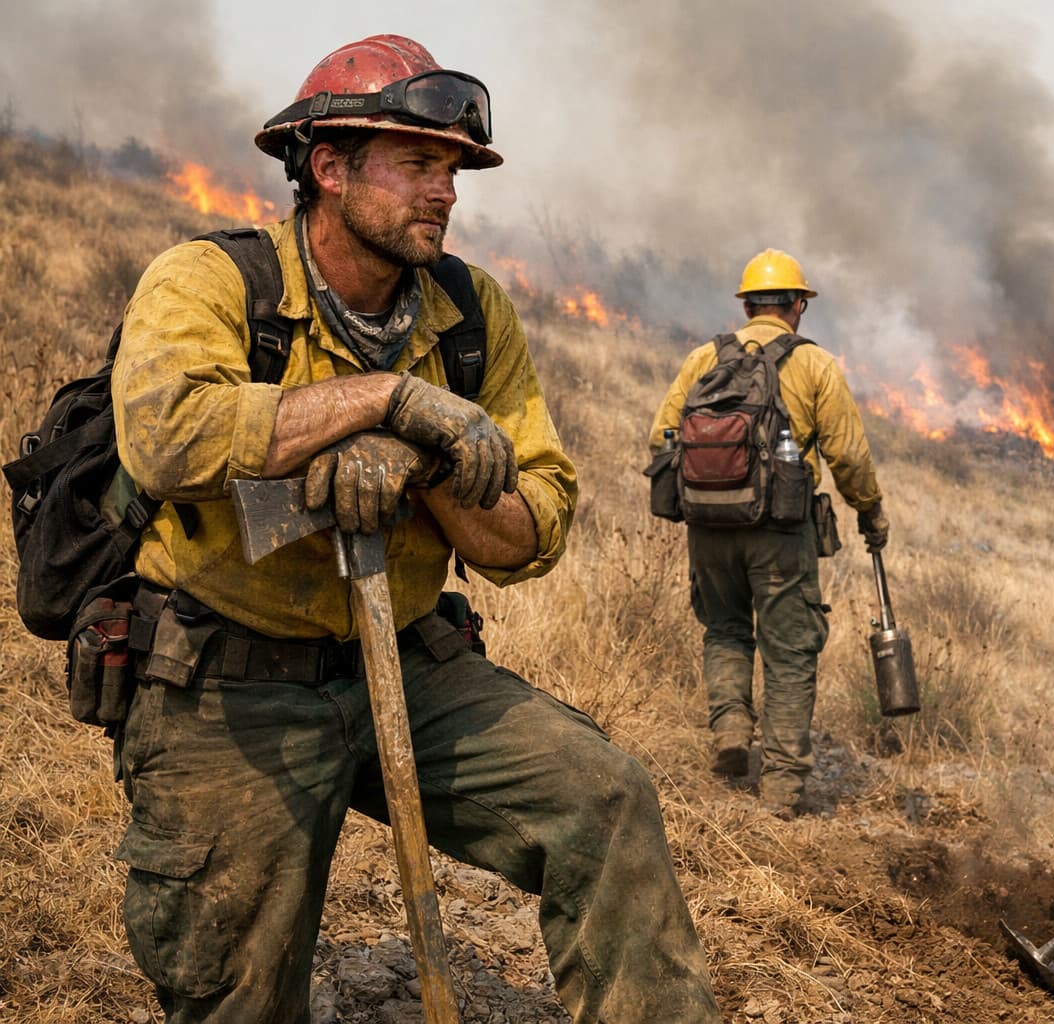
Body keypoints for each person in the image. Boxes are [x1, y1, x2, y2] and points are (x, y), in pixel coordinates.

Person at [109, 34, 719, 1024]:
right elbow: (166, 437)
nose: (444, 192)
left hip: (408, 660)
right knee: (239, 998)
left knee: (602, 797)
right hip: (231, 682)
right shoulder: (213, 282)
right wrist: (383, 399)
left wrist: (429, 471)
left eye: (451, 170)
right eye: (417, 164)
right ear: (329, 166)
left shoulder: (471, 317)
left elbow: (534, 529)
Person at [648, 250, 887, 817]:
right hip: (780, 530)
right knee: (790, 650)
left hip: (708, 528)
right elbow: (848, 456)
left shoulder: (704, 357)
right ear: (798, 306)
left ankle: (731, 730)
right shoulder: (814, 365)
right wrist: (870, 511)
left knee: (725, 629)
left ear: (747, 303)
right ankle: (780, 788)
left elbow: (659, 437)